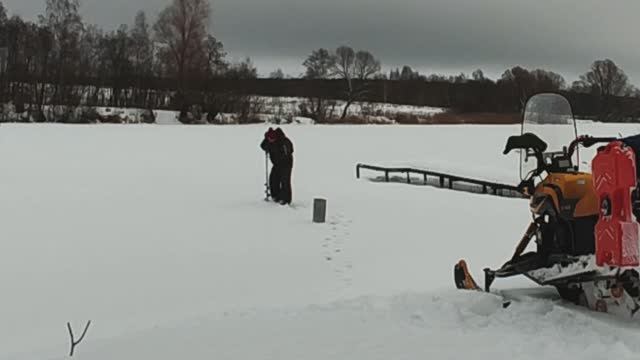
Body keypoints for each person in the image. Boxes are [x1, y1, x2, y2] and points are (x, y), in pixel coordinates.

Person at [260, 127, 294, 205]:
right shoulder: (268, 139)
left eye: (272, 139)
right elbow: (263, 146)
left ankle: (286, 199)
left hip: (286, 163)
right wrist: (267, 146)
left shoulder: (284, 141)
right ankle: (275, 196)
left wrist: (277, 151)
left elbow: (289, 151)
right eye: (269, 139)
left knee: (285, 181)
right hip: (276, 164)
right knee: (273, 179)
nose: (270, 140)